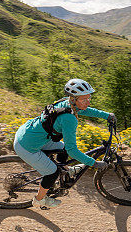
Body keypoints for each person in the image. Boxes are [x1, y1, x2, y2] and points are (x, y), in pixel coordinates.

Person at [13, 79, 115, 208]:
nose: (88, 102)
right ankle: (39, 199)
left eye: (89, 98)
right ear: (73, 99)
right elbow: (72, 149)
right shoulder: (69, 119)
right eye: (84, 99)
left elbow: (85, 110)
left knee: (63, 149)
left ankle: (65, 170)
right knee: (52, 172)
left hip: (30, 134)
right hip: (27, 146)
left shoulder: (66, 103)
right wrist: (93, 163)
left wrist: (107, 116)